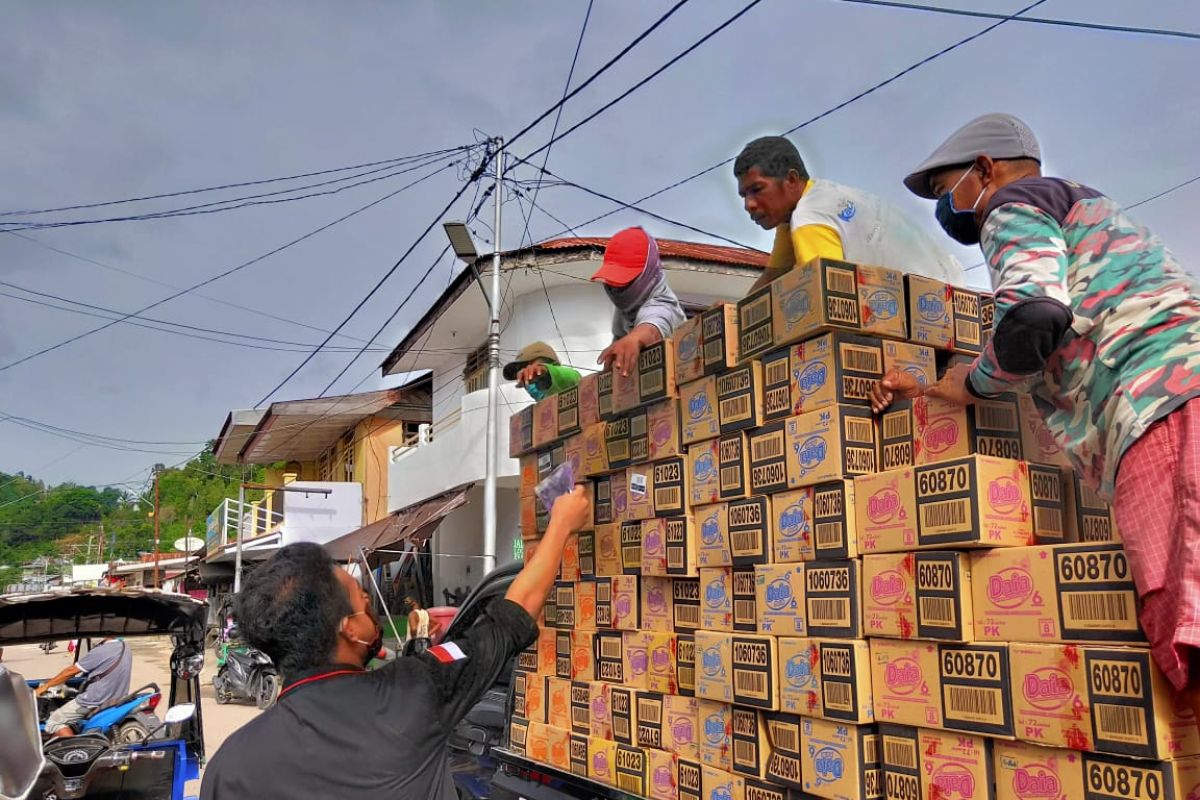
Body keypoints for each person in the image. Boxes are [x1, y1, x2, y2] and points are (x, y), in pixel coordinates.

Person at [875, 112, 1200, 725]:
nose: (949, 208)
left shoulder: (1011, 202)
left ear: (986, 169)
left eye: (948, 189)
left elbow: (1031, 317)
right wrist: (931, 386)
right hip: (1176, 397)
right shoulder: (1081, 210)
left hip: (1161, 405)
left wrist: (972, 385)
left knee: (1182, 618)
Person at [200, 486, 591, 800]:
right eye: (360, 597)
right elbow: (515, 611)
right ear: (349, 629)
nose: (370, 601)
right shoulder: (413, 690)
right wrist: (561, 524)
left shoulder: (230, 766)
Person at [734, 135, 966, 290]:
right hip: (952, 293)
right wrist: (732, 316)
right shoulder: (820, 196)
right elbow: (774, 275)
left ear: (792, 180)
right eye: (744, 195)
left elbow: (827, 293)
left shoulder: (809, 218)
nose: (749, 205)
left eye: (757, 189)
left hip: (920, 312)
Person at [591, 226, 685, 377]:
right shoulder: (625, 312)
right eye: (613, 284)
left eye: (624, 283)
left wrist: (635, 338)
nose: (616, 291)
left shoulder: (663, 304)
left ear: (648, 275)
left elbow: (655, 323)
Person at [36, 636, 132, 738]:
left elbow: (71, 671)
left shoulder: (100, 651)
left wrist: (45, 686)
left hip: (94, 701)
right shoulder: (125, 647)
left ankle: (74, 750)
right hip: (118, 698)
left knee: (54, 721)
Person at [503, 341, 580, 400]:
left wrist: (546, 373)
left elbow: (572, 377)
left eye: (527, 365)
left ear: (548, 361)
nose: (525, 371)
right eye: (522, 373)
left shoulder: (570, 376)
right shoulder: (540, 413)